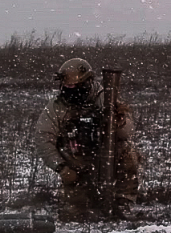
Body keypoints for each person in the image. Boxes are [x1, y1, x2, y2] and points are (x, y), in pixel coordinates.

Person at [35, 57, 141, 220]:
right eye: (66, 86)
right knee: (75, 214)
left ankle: (123, 201)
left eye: (73, 86)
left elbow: (127, 132)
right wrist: (62, 168)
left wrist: (119, 121)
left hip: (106, 155)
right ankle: (83, 201)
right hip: (76, 161)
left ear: (86, 83)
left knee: (129, 154)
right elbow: (43, 138)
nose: (69, 90)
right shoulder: (56, 107)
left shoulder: (106, 98)